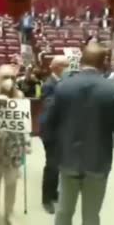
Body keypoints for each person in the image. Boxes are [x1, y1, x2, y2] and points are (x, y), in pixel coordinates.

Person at [44, 43, 114, 225]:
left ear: (81, 61)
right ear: (103, 63)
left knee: (64, 212)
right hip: (98, 161)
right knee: (91, 216)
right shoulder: (113, 89)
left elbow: (48, 123)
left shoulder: (63, 86)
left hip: (68, 158)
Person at [0, 64, 31, 225]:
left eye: (11, 77)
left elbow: (24, 119)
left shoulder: (20, 95)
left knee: (11, 181)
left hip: (14, 143)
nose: (9, 81)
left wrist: (27, 141)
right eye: (5, 77)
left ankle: (9, 212)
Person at [40, 55, 69, 214]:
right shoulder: (49, 84)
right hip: (50, 131)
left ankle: (53, 192)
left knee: (58, 165)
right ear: (58, 67)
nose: (69, 69)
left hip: (61, 130)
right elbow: (50, 106)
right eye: (66, 66)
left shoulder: (62, 83)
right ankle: (46, 199)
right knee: (51, 165)